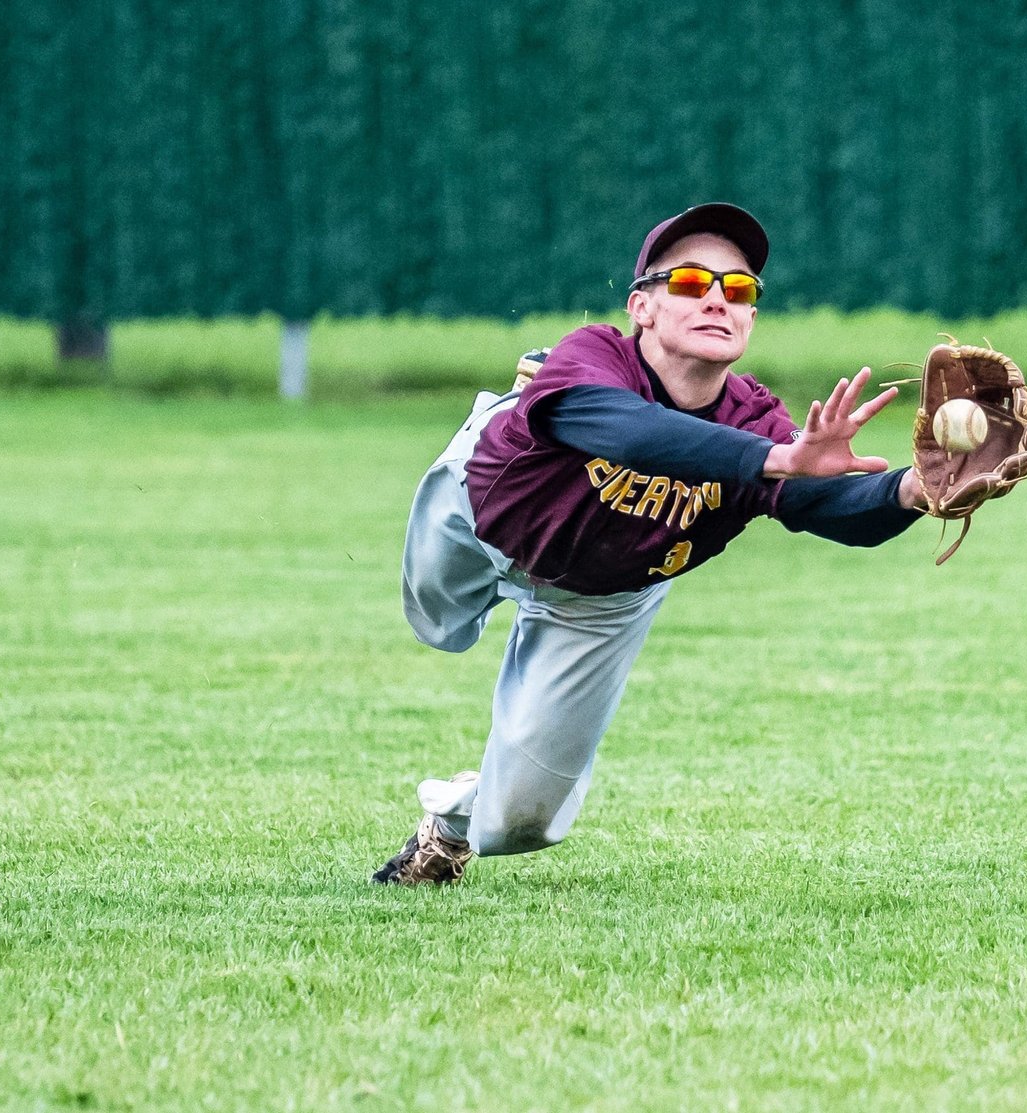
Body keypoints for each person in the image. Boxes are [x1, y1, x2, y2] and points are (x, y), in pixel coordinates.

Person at [374, 202, 927, 885]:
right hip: (477, 509)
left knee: (520, 823)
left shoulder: (755, 419)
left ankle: (447, 827)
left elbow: (829, 505)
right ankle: (517, 399)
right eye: (692, 283)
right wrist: (775, 459)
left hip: (601, 595)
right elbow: (631, 432)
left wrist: (917, 489)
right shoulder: (595, 355)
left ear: (752, 318)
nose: (719, 299)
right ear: (643, 305)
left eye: (740, 289)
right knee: (436, 626)